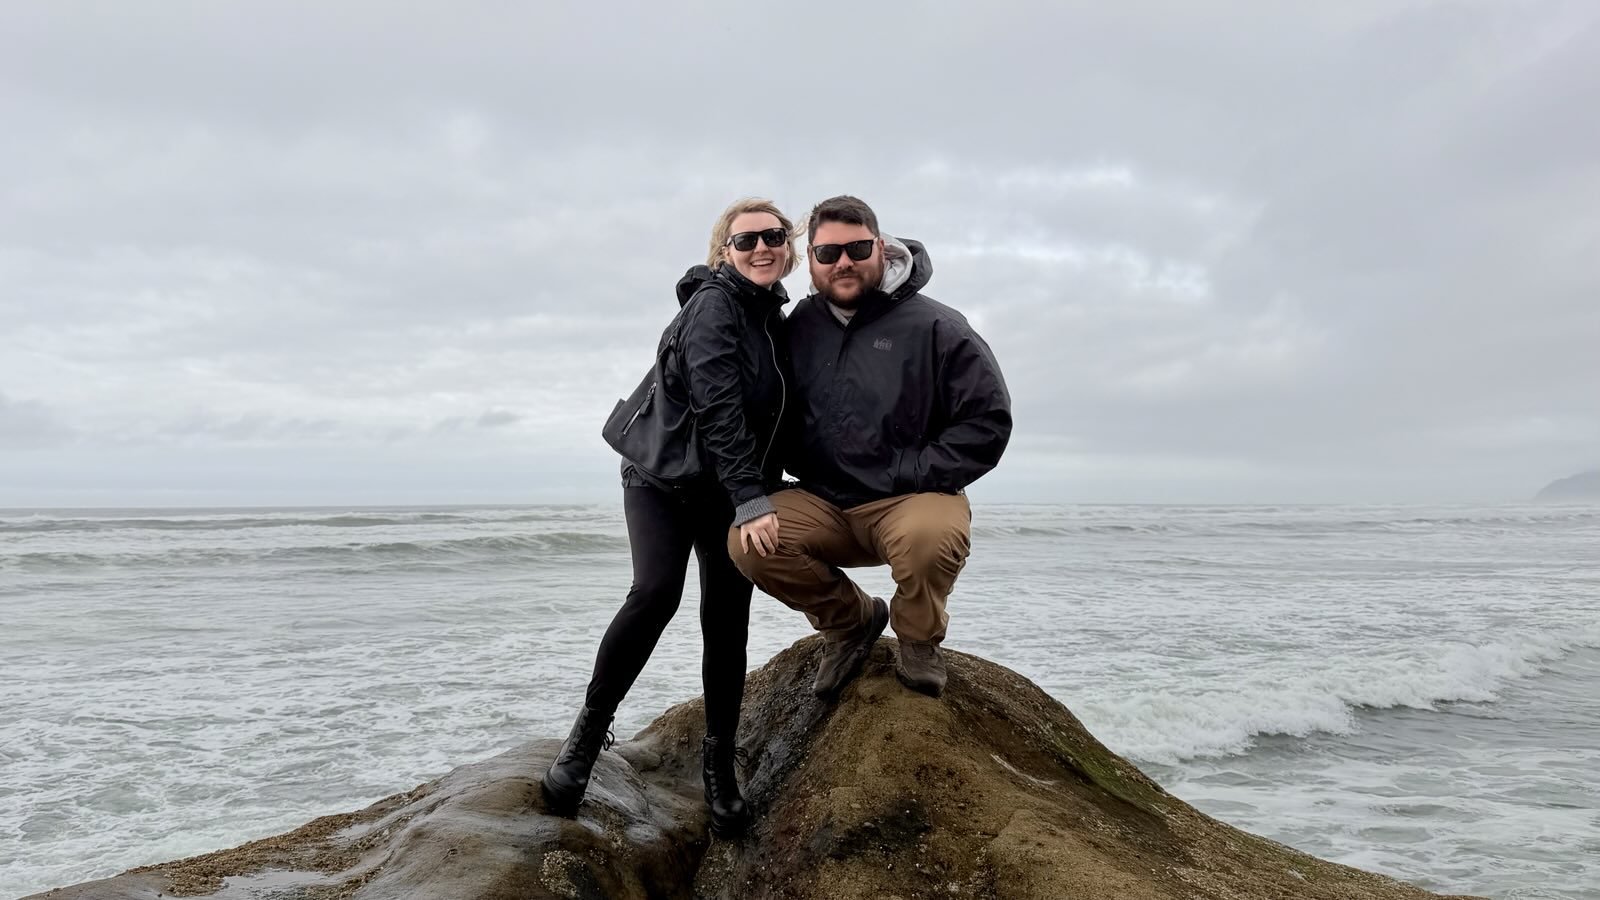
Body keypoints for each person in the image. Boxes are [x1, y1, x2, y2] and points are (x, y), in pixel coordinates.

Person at [541, 198, 797, 837]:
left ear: (789, 246)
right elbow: (717, 405)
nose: (761, 247)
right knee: (655, 592)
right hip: (662, 477)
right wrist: (751, 498)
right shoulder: (713, 306)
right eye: (746, 241)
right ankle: (585, 740)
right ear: (724, 253)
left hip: (728, 485)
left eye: (774, 236)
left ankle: (719, 766)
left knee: (726, 613)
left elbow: (785, 412)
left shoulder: (777, 321)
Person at [729, 195, 1011, 699]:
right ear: (810, 259)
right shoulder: (796, 329)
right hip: (824, 502)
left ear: (881, 247)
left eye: (857, 248)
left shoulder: (937, 327)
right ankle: (851, 621)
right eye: (828, 252)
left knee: (929, 538)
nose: (843, 262)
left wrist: (913, 469)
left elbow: (987, 421)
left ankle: (918, 639)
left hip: (909, 497)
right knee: (750, 539)